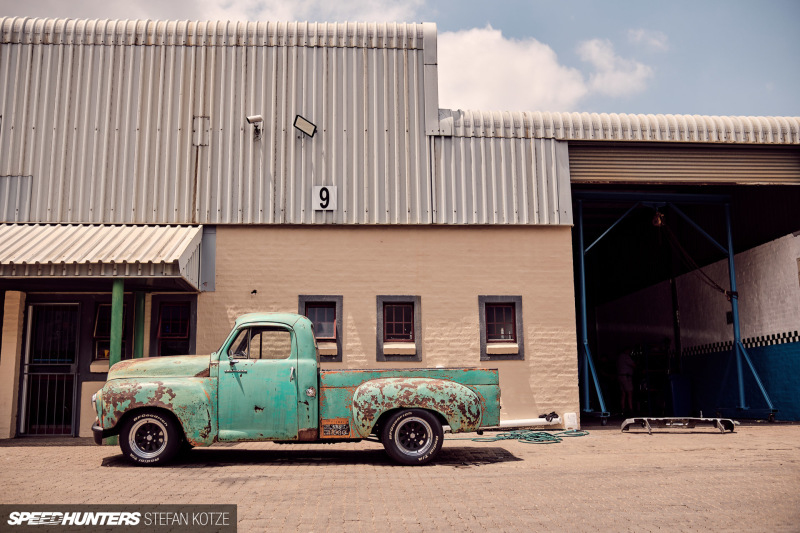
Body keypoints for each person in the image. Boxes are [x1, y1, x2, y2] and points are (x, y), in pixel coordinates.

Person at [617, 348, 636, 415]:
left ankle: (623, 409)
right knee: (629, 393)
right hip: (626, 377)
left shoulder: (619, 357)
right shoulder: (625, 356)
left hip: (620, 376)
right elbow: (634, 365)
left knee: (623, 394)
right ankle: (631, 409)